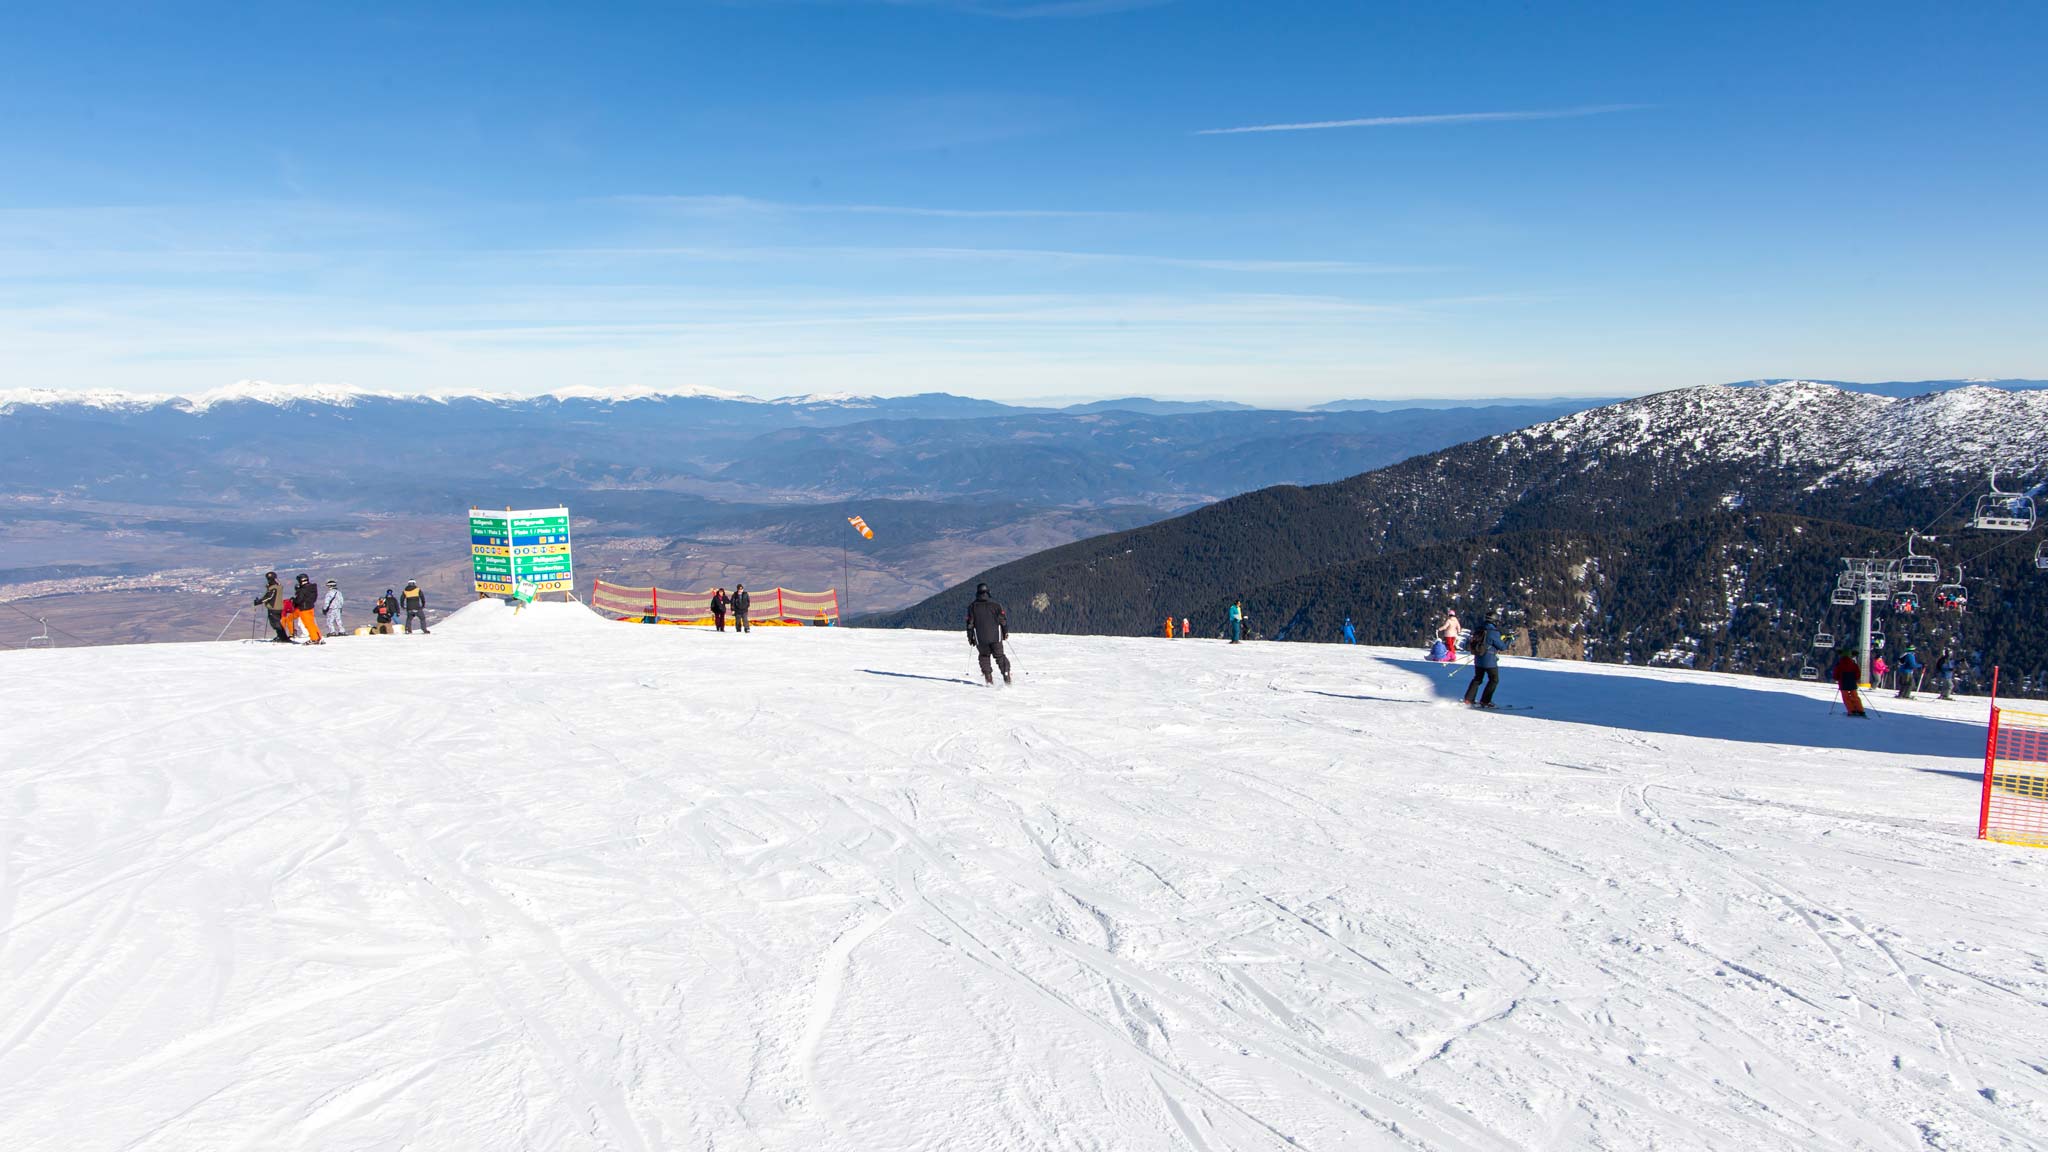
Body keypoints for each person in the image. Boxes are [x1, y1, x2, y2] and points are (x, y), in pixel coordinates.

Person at [966, 582, 1012, 685]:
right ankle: (1006, 675)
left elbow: (970, 624)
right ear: (988, 592)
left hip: (980, 638)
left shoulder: (972, 607)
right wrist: (1005, 632)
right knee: (1000, 656)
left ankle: (988, 678)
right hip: (996, 637)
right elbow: (1003, 621)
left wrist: (970, 637)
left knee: (984, 656)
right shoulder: (996, 606)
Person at [1462, 614, 1507, 707]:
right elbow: (1502, 647)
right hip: (1489, 661)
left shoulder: (1479, 629)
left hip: (1478, 659)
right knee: (1494, 680)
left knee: (1477, 679)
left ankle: (1468, 699)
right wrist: (1509, 640)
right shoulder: (1493, 632)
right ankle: (1485, 701)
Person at [253, 571, 289, 642]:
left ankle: (282, 638)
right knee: (277, 623)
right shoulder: (277, 586)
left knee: (275, 624)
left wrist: (259, 602)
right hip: (278, 607)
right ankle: (282, 637)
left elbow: (269, 597)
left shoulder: (273, 588)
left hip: (274, 608)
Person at [1832, 648, 1867, 717]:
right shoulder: (1853, 664)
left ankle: (1851, 711)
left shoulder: (1839, 664)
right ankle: (1860, 711)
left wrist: (1837, 678)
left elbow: (1836, 674)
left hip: (1843, 683)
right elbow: (1857, 674)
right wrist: (1855, 679)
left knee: (1846, 697)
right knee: (1855, 696)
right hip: (1852, 683)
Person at [291, 573, 324, 644]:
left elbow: (299, 600)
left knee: (308, 624)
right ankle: (318, 637)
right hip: (310, 607)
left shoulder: (303, 589)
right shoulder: (312, 587)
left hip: (304, 608)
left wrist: (293, 600)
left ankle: (314, 639)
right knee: (312, 623)